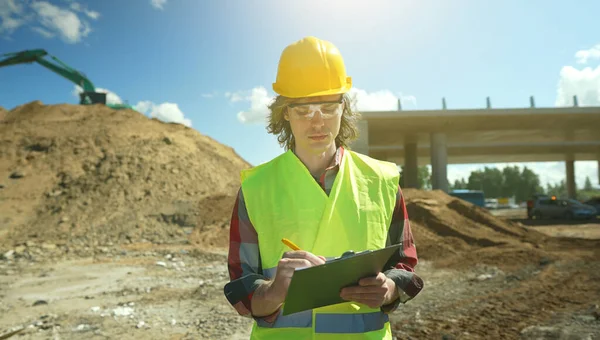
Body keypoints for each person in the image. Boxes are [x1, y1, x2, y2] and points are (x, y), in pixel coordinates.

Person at [223, 36, 423, 339]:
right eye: (303, 110)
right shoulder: (256, 189)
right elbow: (241, 285)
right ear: (285, 113)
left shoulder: (383, 180)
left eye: (328, 108)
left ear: (344, 108)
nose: (317, 122)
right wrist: (275, 292)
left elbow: (405, 266)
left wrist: (389, 288)